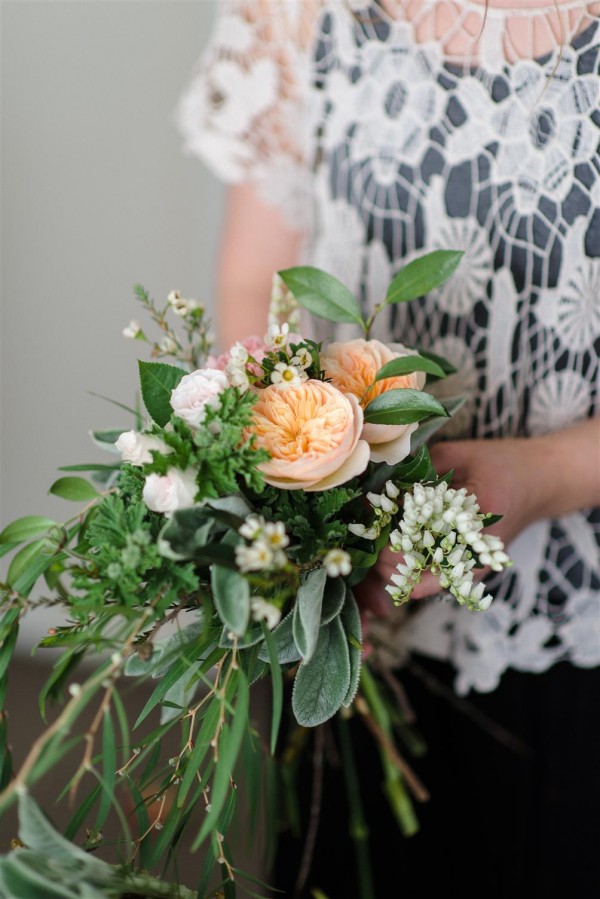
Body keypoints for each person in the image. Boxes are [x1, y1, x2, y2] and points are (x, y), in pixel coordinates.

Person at [177, 1, 600, 896]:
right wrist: (287, 495)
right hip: (370, 628)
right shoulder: (298, 11)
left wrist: (543, 475)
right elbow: (257, 275)